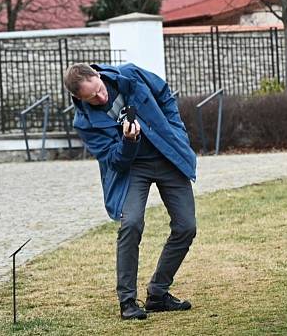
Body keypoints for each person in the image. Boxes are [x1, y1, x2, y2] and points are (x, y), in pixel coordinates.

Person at [64, 62, 197, 321]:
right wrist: (128, 141)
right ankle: (127, 302)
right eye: (92, 98)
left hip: (167, 156)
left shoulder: (130, 74)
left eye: (100, 89)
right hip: (133, 169)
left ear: (98, 76)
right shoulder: (84, 123)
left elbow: (164, 93)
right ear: (78, 98)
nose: (100, 97)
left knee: (186, 227)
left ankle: (158, 294)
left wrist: (175, 130)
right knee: (131, 223)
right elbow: (114, 161)